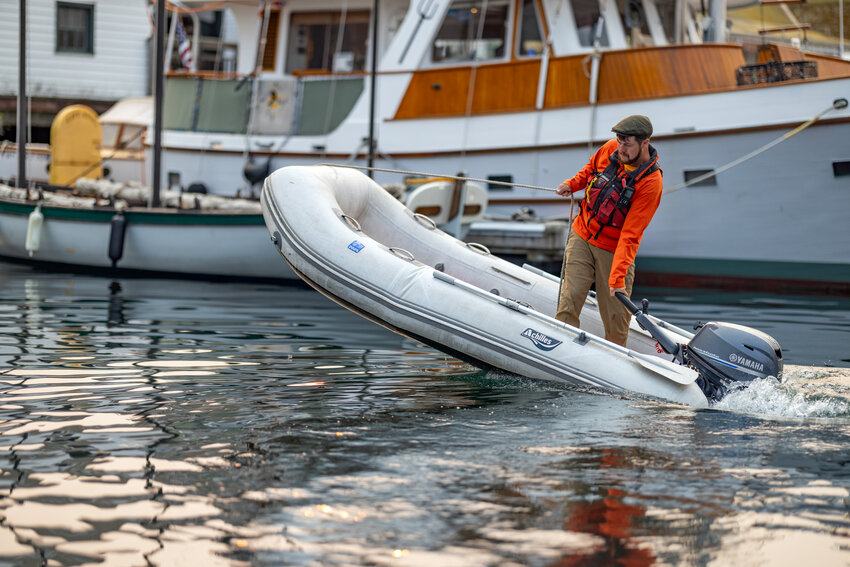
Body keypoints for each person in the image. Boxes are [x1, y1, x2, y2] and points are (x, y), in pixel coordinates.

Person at [554, 115, 662, 347]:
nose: (621, 148)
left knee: (616, 318)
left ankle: (615, 358)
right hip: (581, 235)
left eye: (627, 144)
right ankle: (559, 346)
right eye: (619, 141)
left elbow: (631, 235)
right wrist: (571, 184)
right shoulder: (611, 148)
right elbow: (589, 170)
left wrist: (617, 278)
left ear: (645, 142)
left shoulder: (651, 183)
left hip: (613, 251)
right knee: (570, 298)